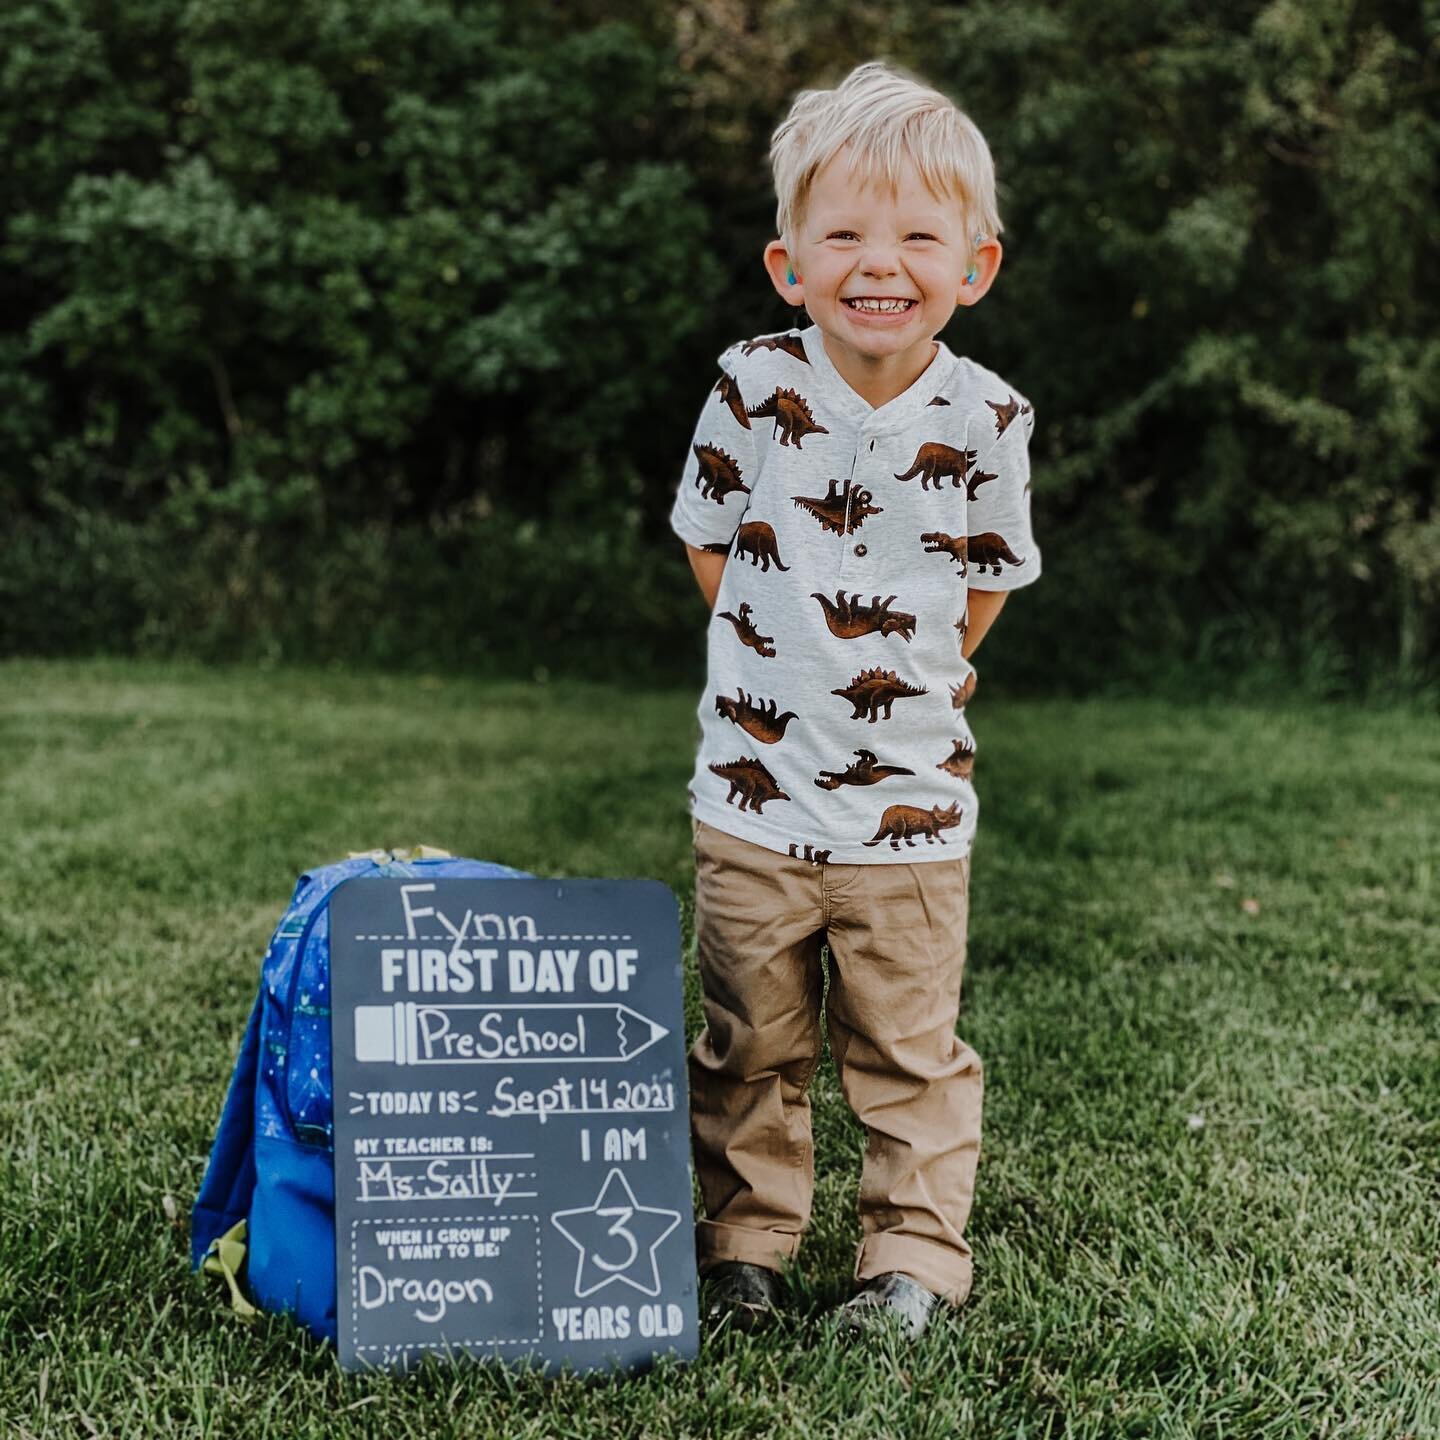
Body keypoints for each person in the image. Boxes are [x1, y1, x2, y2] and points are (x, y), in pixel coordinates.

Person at [668, 58, 1042, 1344]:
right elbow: (712, 545)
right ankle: (745, 1247)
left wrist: (922, 667)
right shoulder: (754, 389)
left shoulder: (989, 417)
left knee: (907, 1049)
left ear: (973, 267)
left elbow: (986, 579)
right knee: (745, 1043)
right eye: (845, 233)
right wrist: (776, 664)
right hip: (752, 807)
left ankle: (912, 1260)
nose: (879, 263)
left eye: (917, 236)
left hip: (910, 813)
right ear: (790, 265)